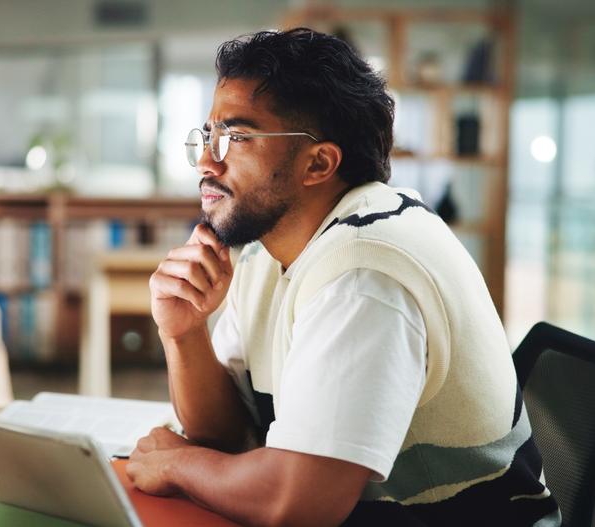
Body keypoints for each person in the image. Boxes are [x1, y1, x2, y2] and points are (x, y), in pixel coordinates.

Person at [127, 28, 561, 526]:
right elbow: (230, 440)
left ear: (318, 163)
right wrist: (183, 333)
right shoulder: (270, 247)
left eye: (237, 137)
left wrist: (177, 464)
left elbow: (299, 504)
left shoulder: (364, 273)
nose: (207, 161)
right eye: (209, 136)